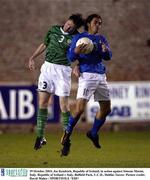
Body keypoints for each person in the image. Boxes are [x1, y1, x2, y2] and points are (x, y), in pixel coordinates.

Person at [28, 14, 84, 150]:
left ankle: (66, 140)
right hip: (47, 68)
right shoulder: (53, 29)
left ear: (75, 29)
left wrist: (78, 65)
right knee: (42, 103)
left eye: (72, 27)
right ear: (67, 20)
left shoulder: (77, 38)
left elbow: (81, 54)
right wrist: (32, 57)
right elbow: (44, 44)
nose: (69, 27)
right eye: (69, 23)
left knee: (64, 106)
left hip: (63, 71)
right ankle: (40, 136)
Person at [61, 14, 112, 156]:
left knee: (106, 109)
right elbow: (71, 57)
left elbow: (109, 56)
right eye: (96, 22)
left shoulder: (101, 39)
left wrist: (105, 51)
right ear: (89, 23)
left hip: (101, 76)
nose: (98, 25)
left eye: (100, 23)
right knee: (79, 110)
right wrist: (76, 52)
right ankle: (67, 134)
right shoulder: (79, 38)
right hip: (87, 76)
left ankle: (93, 133)